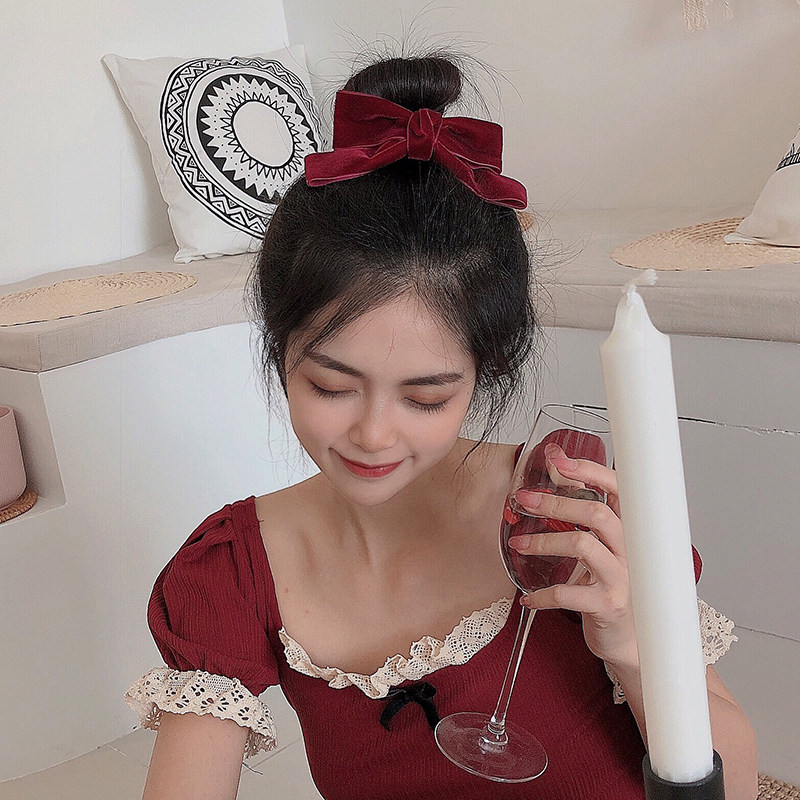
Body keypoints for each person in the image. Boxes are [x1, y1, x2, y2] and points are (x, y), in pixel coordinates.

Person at [124, 50, 758, 800]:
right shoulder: (232, 571)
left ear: (484, 372)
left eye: (425, 398)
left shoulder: (565, 521)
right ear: (278, 352)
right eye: (331, 386)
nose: (373, 435)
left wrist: (634, 647)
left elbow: (738, 785)